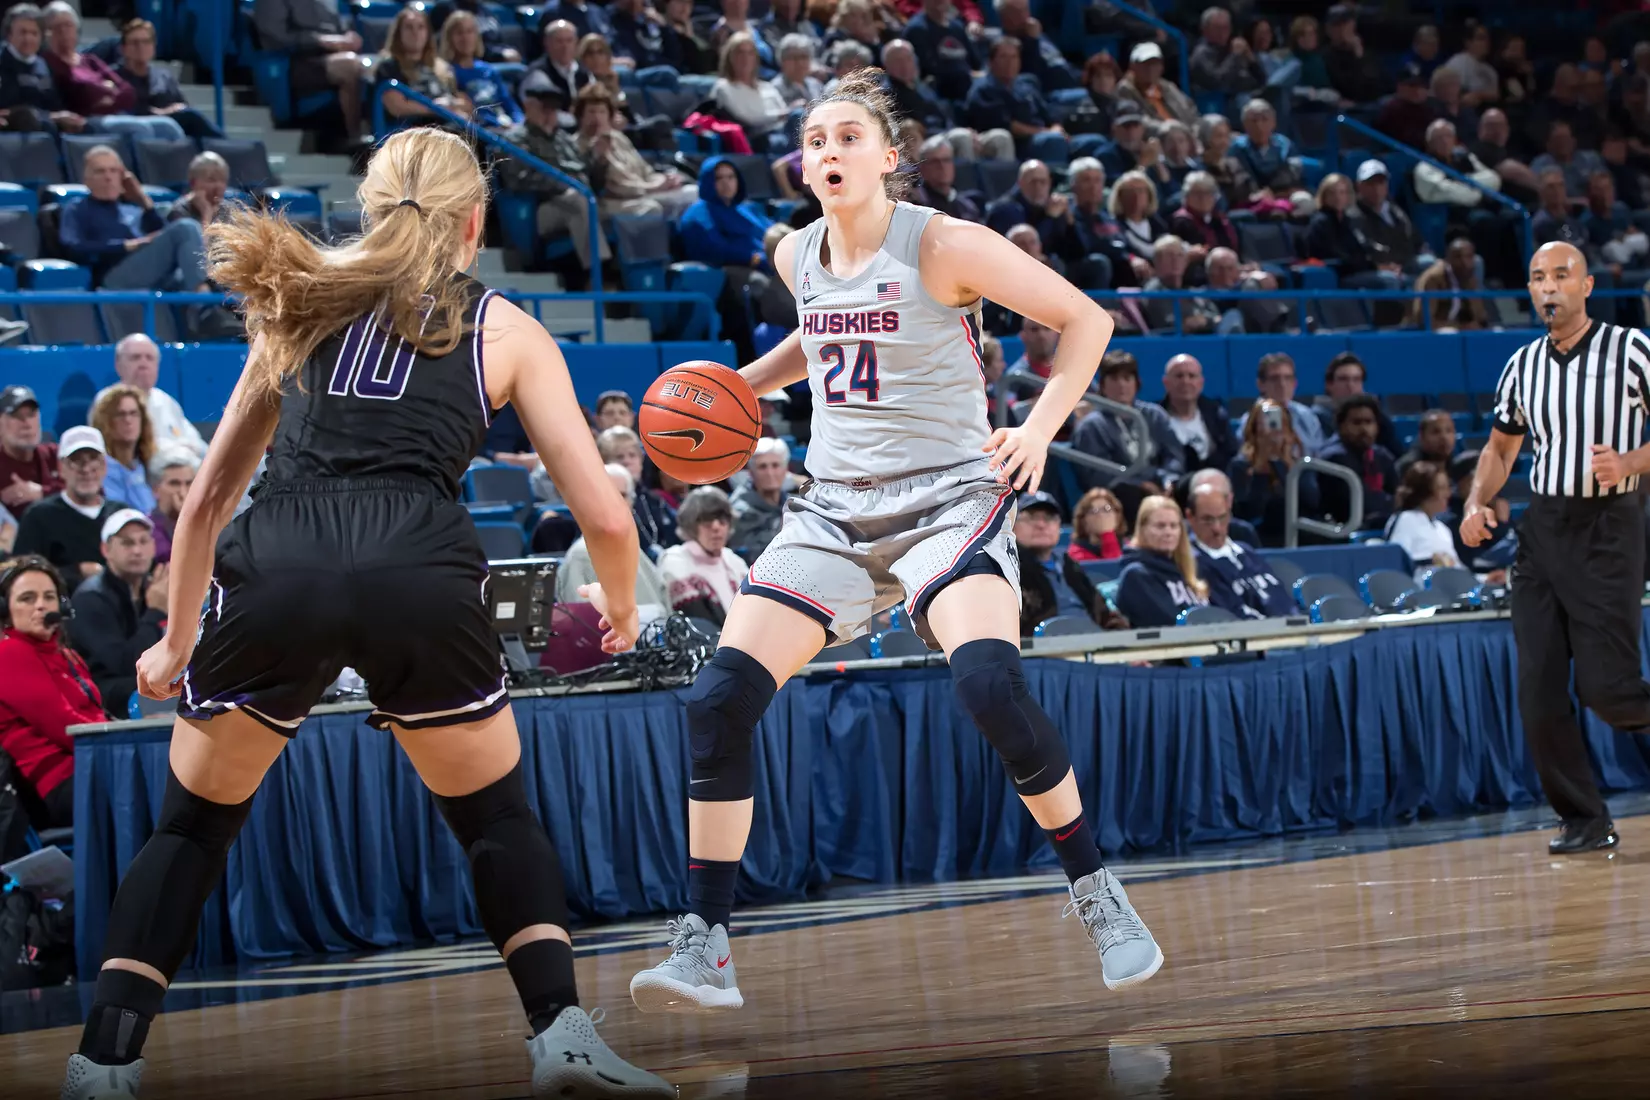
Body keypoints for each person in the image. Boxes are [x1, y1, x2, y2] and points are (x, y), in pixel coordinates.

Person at [58, 127, 672, 1100]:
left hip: (283, 556)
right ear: (475, 223)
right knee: (496, 818)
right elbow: (603, 509)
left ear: (368, 208)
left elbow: (210, 500)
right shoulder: (505, 326)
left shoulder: (295, 300)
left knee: (189, 831)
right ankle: (561, 1037)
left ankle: (102, 1062)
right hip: (417, 562)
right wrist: (623, 606)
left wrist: (175, 639)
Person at [627, 69, 1162, 1016]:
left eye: (846, 138)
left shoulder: (944, 244)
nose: (827, 152)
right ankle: (705, 942)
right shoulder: (795, 255)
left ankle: (1095, 890)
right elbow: (817, 335)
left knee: (989, 685)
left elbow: (1088, 320)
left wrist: (1037, 428)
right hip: (831, 510)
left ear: (888, 159)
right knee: (716, 700)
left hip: (950, 498)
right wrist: (736, 392)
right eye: (815, 140)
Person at [1461, 240, 1650, 857]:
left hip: (1608, 530)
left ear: (1587, 285)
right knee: (1538, 688)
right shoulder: (1521, 365)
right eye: (1539, 277)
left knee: (1609, 690)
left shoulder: (1632, 349)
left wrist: (1630, 460)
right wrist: (1475, 503)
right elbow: (1500, 449)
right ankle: (1583, 819)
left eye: (1561, 275)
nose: (1549, 287)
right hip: (1542, 532)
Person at [0, 554, 104, 831]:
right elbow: (64, 726)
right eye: (27, 598)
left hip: (92, 767)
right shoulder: (8, 653)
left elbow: (94, 715)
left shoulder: (68, 655)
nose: (41, 605)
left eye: (49, 596)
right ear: (5, 610)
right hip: (63, 784)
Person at [67, 508, 167, 706]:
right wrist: (156, 613)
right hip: (103, 691)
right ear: (106, 550)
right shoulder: (90, 598)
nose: (137, 550)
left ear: (153, 547)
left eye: (143, 541)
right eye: (127, 543)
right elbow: (123, 664)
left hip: (141, 679)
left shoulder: (153, 589)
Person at [1112, 494, 1210, 627]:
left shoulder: (1189, 569)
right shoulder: (1136, 575)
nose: (1168, 532)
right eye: (1160, 526)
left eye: (1174, 526)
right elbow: (1170, 623)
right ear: (1143, 529)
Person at [1383, 461, 1459, 576]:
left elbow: (1459, 570)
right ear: (1424, 493)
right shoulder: (1406, 520)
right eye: (1441, 488)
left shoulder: (1443, 529)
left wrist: (1485, 579)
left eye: (1448, 487)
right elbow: (1397, 563)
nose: (1448, 494)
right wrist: (1430, 561)